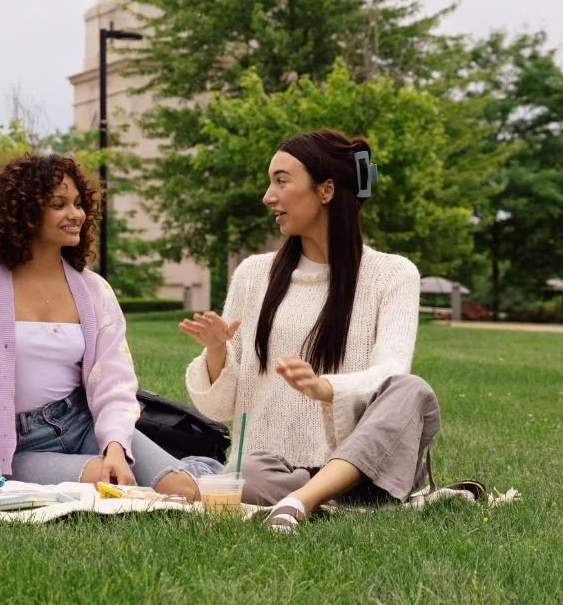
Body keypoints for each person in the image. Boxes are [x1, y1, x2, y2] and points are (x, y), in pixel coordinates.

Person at [181, 129, 466, 533]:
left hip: (364, 458)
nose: (268, 196)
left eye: (281, 180)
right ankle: (324, 495)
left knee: (411, 389)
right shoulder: (253, 275)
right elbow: (220, 407)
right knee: (246, 470)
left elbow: (391, 371)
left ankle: (301, 501)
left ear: (326, 189)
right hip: (271, 467)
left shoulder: (393, 274)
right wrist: (216, 353)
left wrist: (327, 389)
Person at [0, 153, 210, 497]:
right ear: (24, 212)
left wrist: (116, 446)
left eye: (77, 203)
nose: (76, 215)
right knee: (104, 484)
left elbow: (114, 382)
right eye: (59, 204)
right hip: (16, 446)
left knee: (184, 490)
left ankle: (200, 468)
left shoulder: (94, 290)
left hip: (86, 423)